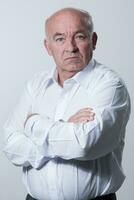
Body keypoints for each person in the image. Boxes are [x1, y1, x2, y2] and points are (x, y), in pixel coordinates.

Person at [3, 7, 131, 200]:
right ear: (48, 47)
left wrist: (34, 124)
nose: (70, 47)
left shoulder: (110, 85)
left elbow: (84, 144)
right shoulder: (35, 85)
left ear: (93, 41)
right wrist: (66, 128)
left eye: (79, 37)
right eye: (60, 38)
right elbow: (11, 146)